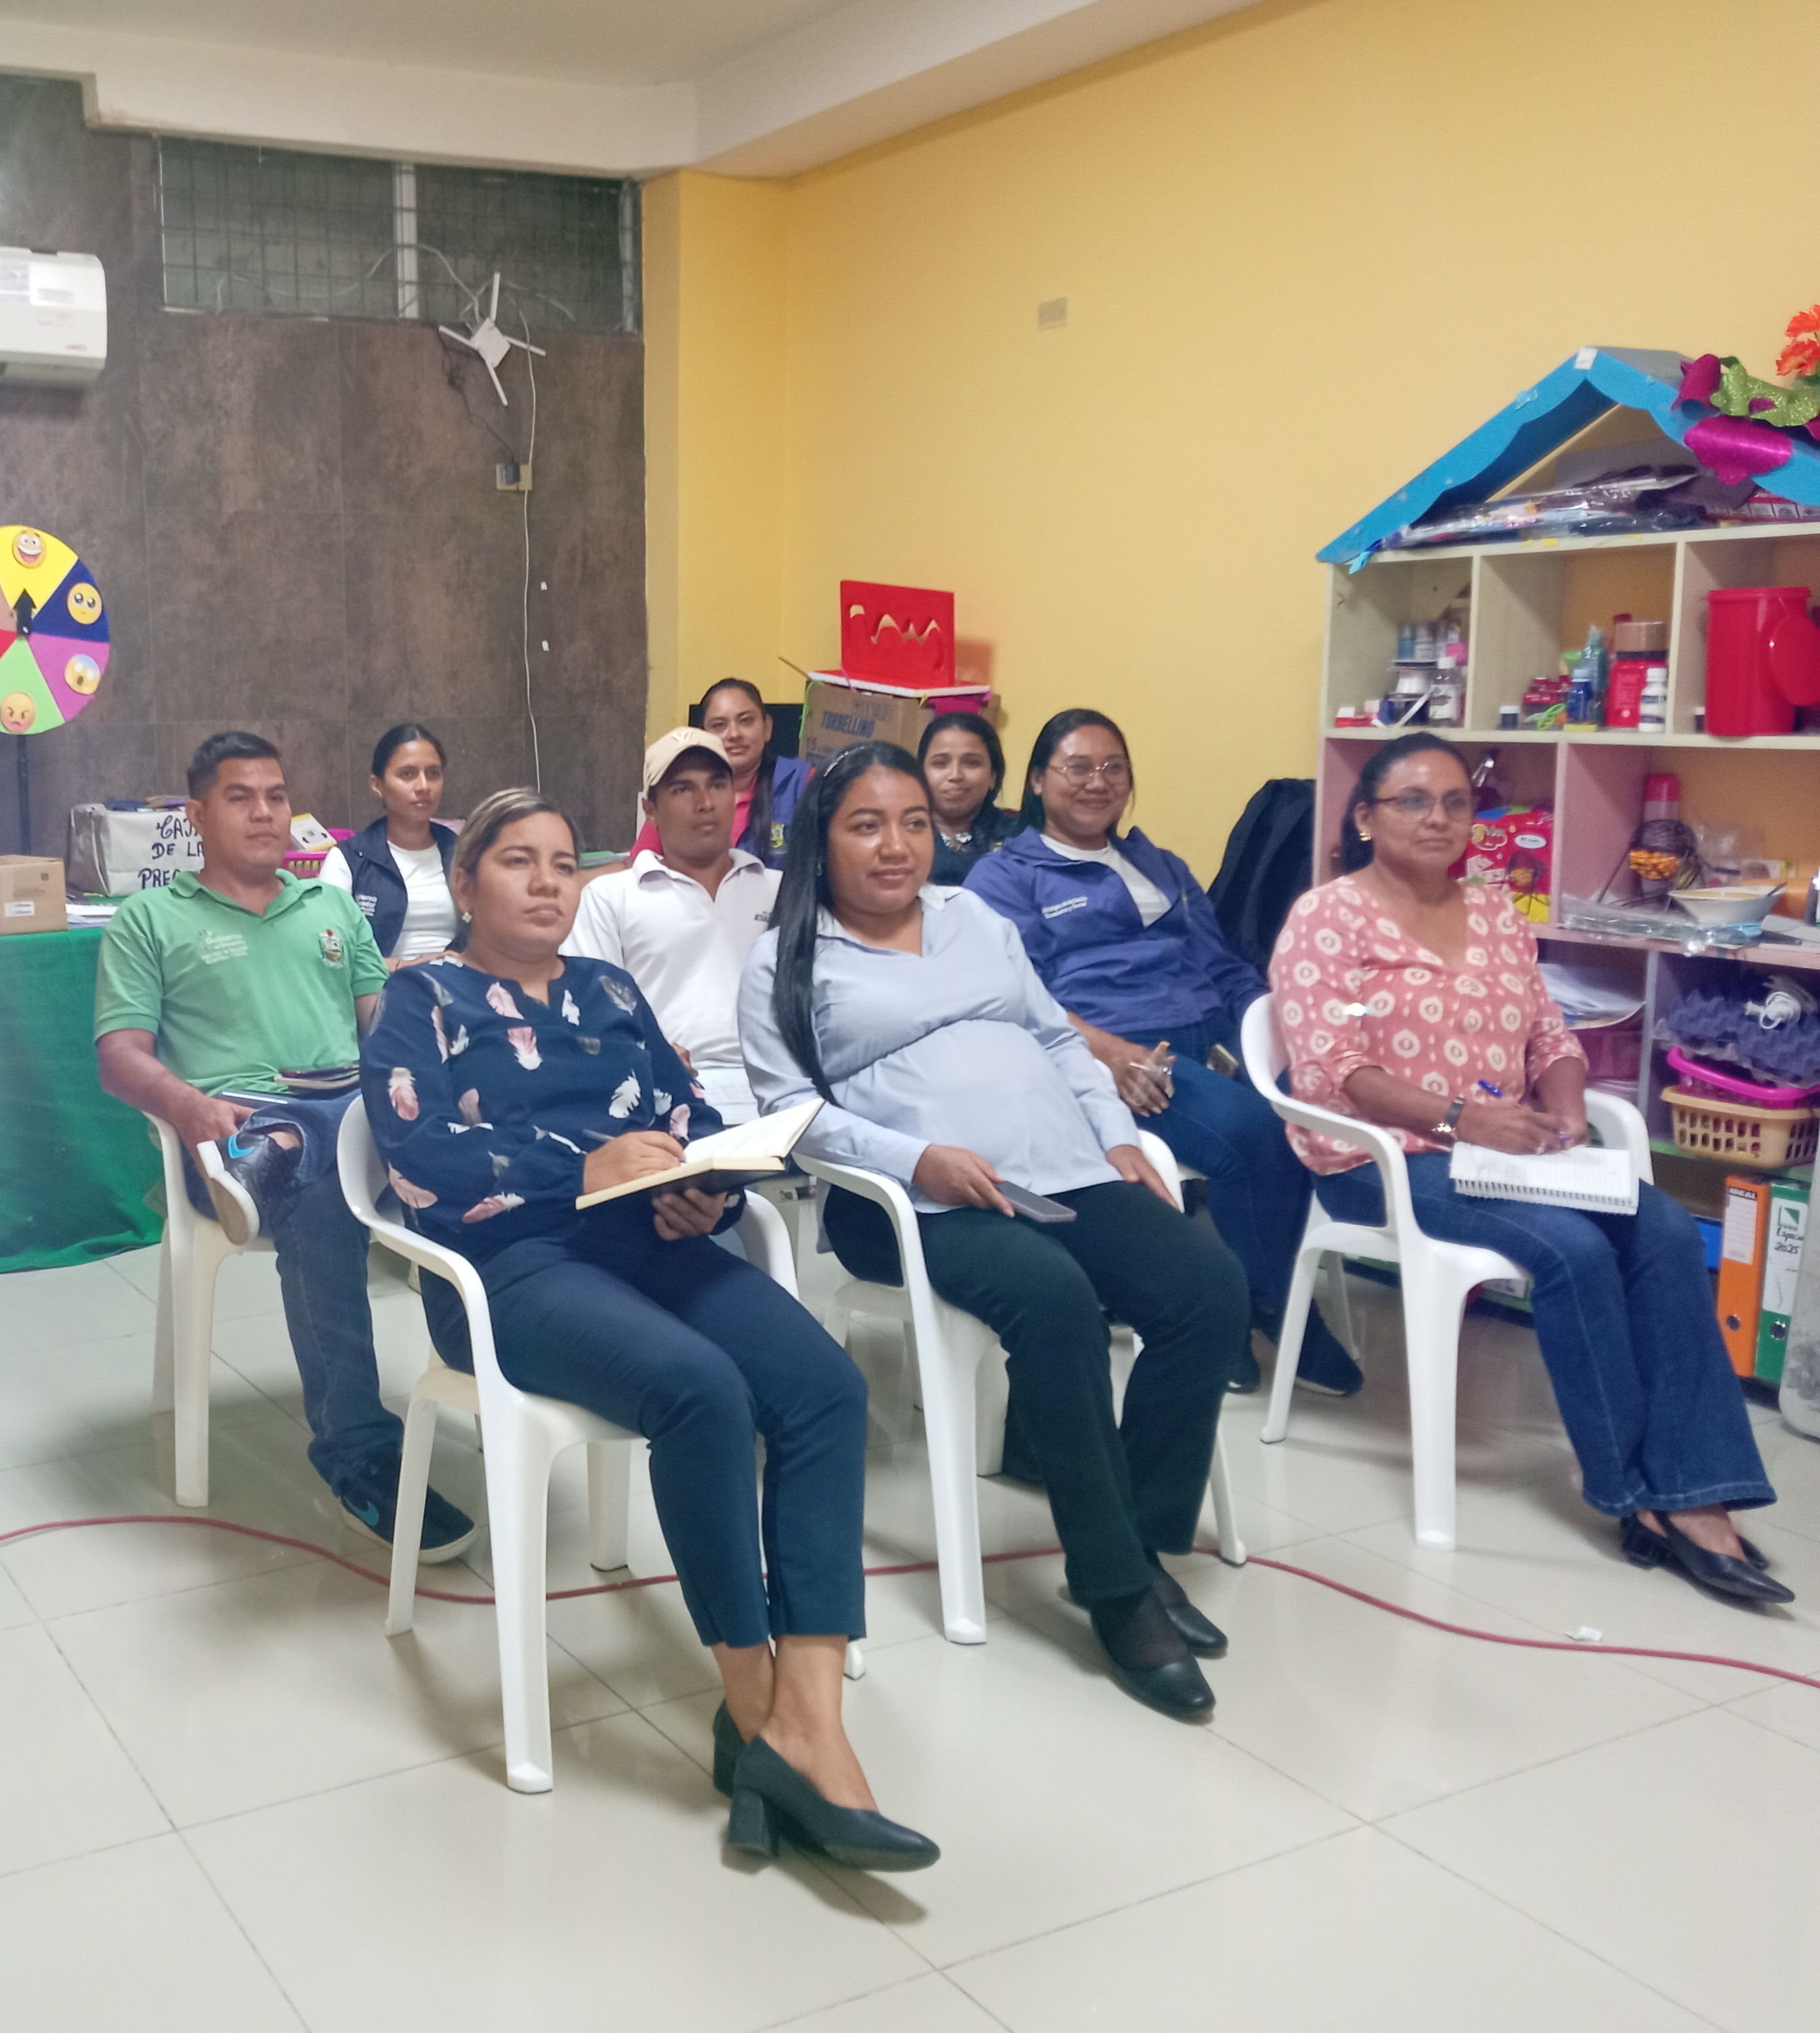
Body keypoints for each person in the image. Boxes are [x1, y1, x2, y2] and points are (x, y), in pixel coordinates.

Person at [363, 788, 935, 1871]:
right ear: (467, 882)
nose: (546, 881)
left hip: (651, 1242)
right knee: (700, 1390)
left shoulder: (608, 990)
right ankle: (758, 1710)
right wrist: (581, 1168)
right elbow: (419, 1155)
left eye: (561, 863)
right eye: (516, 860)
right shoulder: (422, 999)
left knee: (825, 1390)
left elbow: (690, 1118)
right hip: (509, 1270)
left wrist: (704, 1189)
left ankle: (808, 1722)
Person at [741, 742, 1245, 1719]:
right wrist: (916, 1158)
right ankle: (1117, 1591)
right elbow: (790, 1111)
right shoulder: (787, 958)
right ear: (821, 842)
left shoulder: (972, 918)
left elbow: (1056, 1035)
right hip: (906, 1203)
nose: (897, 846)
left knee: (1207, 1288)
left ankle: (1138, 1545)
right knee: (1053, 1299)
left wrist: (1116, 1134)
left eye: (914, 823)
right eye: (866, 826)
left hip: (1061, 1165)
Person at [1271, 733, 1787, 1605]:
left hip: (1505, 1151)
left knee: (1663, 1227)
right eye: (1412, 801)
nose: (1438, 818)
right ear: (1364, 818)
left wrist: (1570, 1110)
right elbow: (1333, 1071)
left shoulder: (1495, 912)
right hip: (1382, 1157)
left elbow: (1552, 1036)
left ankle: (1697, 1488)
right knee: (1573, 1250)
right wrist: (1461, 1119)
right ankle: (1635, 1494)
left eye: (1455, 802)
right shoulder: (1327, 919)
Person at [94, 730, 478, 1561]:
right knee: (324, 1188)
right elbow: (120, 1055)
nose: (265, 813)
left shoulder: (330, 907)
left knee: (453, 1157)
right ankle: (359, 1454)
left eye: (276, 796)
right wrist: (188, 1107)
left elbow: (381, 1026)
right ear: (197, 815)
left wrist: (438, 1081)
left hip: (346, 1103)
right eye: (241, 797)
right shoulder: (150, 919)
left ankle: (487, 1370)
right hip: (230, 1117)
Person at [965, 708, 1363, 1400]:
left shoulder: (1162, 865)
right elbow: (1020, 998)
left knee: (1318, 1098)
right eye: (1077, 767)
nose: (1098, 782)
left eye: (1113, 768)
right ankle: (1263, 1312)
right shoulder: (1005, 878)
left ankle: (1255, 1296)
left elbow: (1224, 966)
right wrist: (1110, 1056)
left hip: (1212, 1033)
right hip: (1121, 1048)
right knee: (1252, 1132)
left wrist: (1283, 1028)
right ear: (1036, 780)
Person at [563, 727, 780, 1122]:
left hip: (778, 1090)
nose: (705, 803)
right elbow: (592, 1014)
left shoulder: (779, 890)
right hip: (665, 1089)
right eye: (683, 789)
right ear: (651, 810)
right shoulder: (611, 897)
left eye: (717, 785)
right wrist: (649, 1054)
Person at [316, 722, 458, 967]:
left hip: (461, 981)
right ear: (378, 785)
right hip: (383, 984)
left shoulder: (463, 851)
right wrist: (404, 966)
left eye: (433, 773)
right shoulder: (350, 860)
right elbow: (330, 951)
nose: (424, 786)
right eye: (407, 774)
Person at [631, 679, 811, 868]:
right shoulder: (677, 795)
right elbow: (638, 865)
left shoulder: (802, 781)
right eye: (719, 725)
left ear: (767, 728)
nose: (734, 734)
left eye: (746, 721)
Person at [911, 710, 1027, 887]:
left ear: (993, 776)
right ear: (921, 774)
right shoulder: (902, 836)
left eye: (971, 763)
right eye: (940, 764)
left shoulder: (1019, 837)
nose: (955, 775)